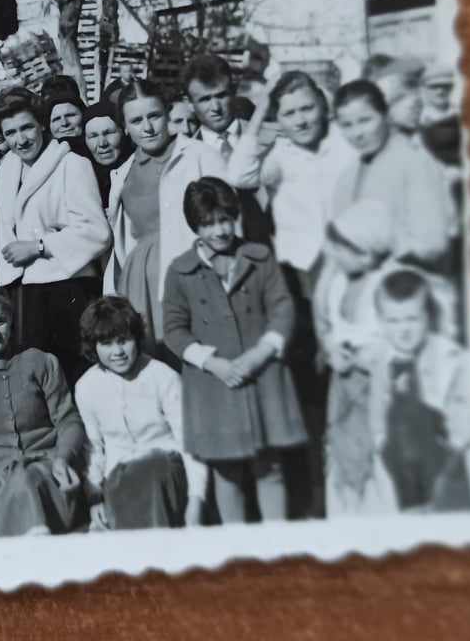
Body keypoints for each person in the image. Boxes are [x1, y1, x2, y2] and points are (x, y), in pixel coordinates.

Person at [161, 177, 306, 525]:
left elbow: (283, 308)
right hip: (214, 385)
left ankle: (278, 543)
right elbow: (173, 330)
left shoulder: (259, 257)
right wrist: (212, 364)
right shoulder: (180, 271)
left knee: (269, 466)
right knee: (226, 471)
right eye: (208, 224)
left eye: (225, 220)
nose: (220, 230)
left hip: (262, 377)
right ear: (195, 226)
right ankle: (236, 545)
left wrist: (260, 354)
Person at [258, 70, 356, 518]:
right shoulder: (278, 157)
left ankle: (352, 489)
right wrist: (261, 118)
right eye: (290, 113)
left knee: (347, 379)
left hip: (346, 272)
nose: (300, 120)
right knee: (308, 390)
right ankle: (316, 497)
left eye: (307, 109)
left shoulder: (344, 145)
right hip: (298, 279)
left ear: (323, 107)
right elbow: (240, 173)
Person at [0, 88, 111, 382]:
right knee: (37, 381)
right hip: (24, 293)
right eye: (10, 133)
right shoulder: (7, 171)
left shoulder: (72, 165)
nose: (20, 140)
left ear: (42, 124)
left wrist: (40, 246)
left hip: (68, 289)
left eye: (27, 128)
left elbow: (97, 232)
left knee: (74, 376)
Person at [102, 80, 228, 345]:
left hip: (195, 275)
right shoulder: (123, 173)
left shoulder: (200, 156)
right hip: (140, 285)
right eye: (136, 121)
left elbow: (229, 223)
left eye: (154, 116)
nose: (147, 128)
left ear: (168, 114)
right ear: (124, 127)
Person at [0, 284, 87, 538]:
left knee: (26, 480)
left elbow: (68, 421)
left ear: (11, 320)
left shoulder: (40, 362)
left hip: (47, 476)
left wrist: (62, 458)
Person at [75, 296, 200, 530]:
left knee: (151, 472)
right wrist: (94, 497)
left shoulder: (163, 376)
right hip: (118, 477)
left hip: (166, 470)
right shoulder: (86, 386)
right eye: (106, 344)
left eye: (124, 341)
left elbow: (189, 442)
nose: (118, 352)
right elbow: (94, 448)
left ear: (136, 338)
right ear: (94, 346)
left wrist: (196, 498)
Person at [313, 199, 402, 516]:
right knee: (342, 466)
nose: (334, 256)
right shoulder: (339, 281)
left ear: (367, 254)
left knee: (377, 473)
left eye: (343, 250)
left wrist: (363, 358)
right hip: (344, 390)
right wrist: (331, 348)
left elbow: (397, 344)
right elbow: (328, 325)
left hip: (377, 393)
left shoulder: (387, 283)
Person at [368, 269, 470, 513]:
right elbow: (377, 406)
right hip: (400, 468)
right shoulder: (382, 359)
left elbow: (464, 410)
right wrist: (379, 439)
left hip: (444, 465)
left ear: (428, 316)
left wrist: (455, 446)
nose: (403, 330)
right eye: (393, 321)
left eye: (412, 319)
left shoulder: (448, 356)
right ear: (380, 321)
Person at [330, 80, 458, 272]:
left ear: (385, 115)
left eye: (365, 120)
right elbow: (339, 241)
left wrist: (381, 244)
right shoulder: (347, 177)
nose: (357, 133)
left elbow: (434, 243)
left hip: (412, 277)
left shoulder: (415, 162)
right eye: (347, 125)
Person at [181, 53, 272, 241]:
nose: (215, 107)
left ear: (234, 91)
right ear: (189, 103)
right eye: (204, 99)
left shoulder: (268, 139)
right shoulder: (184, 157)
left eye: (221, 96)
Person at [80, 100, 130, 208]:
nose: (102, 143)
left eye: (108, 133)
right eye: (93, 136)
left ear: (123, 132)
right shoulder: (80, 180)